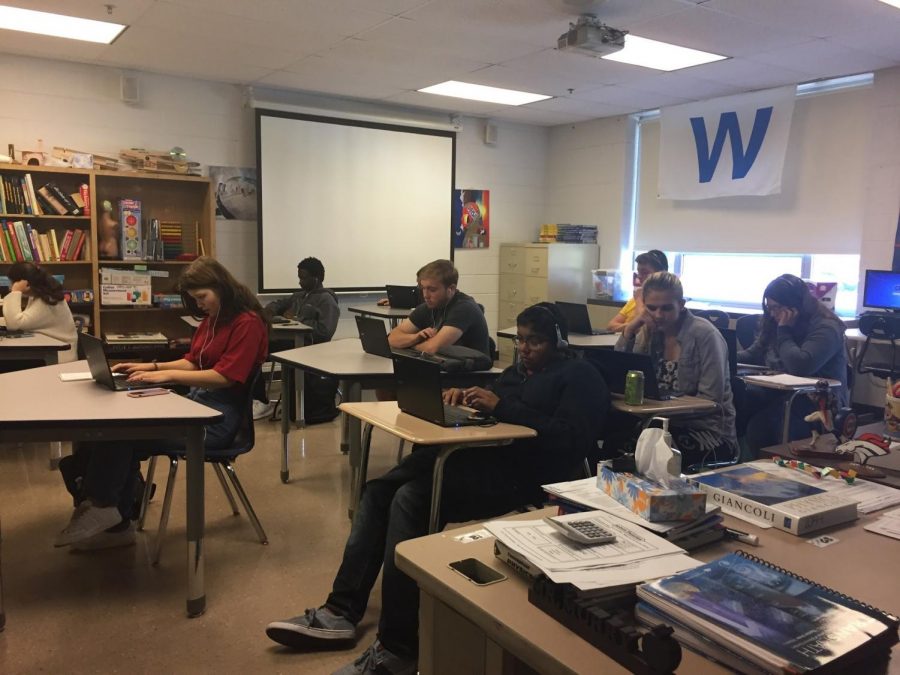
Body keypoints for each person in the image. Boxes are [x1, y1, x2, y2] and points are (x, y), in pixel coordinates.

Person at [265, 302, 609, 675]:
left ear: (557, 342)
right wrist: (467, 399)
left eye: (536, 342)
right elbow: (500, 408)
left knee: (408, 499)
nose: (524, 349)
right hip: (480, 457)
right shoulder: (518, 372)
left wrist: (504, 406)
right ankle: (340, 611)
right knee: (378, 491)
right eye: (521, 340)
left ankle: (398, 648)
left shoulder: (580, 376)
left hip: (523, 476)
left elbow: (570, 441)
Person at [54, 257, 268, 550]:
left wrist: (166, 375)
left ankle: (106, 510)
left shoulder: (248, 323)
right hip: (197, 404)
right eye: (195, 299)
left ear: (221, 286)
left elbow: (226, 377)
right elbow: (194, 362)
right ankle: (115, 518)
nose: (200, 305)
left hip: (217, 421)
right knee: (115, 428)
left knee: (123, 431)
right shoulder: (211, 320)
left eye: (202, 297)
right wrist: (152, 368)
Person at [616, 272, 738, 469]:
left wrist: (661, 411)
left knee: (651, 455)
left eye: (666, 308)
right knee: (614, 442)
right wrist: (629, 331)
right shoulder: (647, 332)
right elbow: (623, 375)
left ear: (681, 305)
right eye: (651, 308)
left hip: (707, 430)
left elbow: (710, 400)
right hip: (656, 423)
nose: (658, 315)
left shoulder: (705, 335)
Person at [738, 274, 848, 454]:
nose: (772, 314)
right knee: (740, 401)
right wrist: (722, 354)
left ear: (795, 305)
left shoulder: (826, 328)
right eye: (770, 308)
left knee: (762, 427)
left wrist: (784, 331)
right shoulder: (773, 322)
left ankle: (770, 466)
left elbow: (800, 366)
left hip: (817, 400)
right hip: (781, 392)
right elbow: (753, 354)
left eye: (777, 308)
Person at [255, 257, 340, 420]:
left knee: (258, 350)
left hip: (309, 347)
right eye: (299, 277)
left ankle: (262, 401)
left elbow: (324, 332)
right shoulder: (298, 296)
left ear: (316, 278)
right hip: (291, 343)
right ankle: (259, 400)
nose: (300, 282)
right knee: (253, 350)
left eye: (304, 278)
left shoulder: (326, 300)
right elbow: (276, 305)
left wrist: (296, 319)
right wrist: (271, 312)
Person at [388, 259, 489, 357]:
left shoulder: (464, 308)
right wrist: (416, 337)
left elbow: (432, 349)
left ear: (451, 289)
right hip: (441, 367)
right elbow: (392, 338)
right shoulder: (429, 306)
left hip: (468, 371)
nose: (425, 295)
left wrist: (408, 345)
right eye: (423, 288)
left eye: (432, 289)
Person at [1, 261, 79, 363]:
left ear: (26, 283)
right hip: (49, 352)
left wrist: (16, 291)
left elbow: (14, 324)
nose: (10, 287)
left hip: (58, 358)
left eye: (13, 283)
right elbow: (25, 320)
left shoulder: (47, 302)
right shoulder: (41, 295)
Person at [607, 250, 668, 332]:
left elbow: (644, 329)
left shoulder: (663, 302)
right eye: (638, 272)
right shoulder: (634, 299)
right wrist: (631, 326)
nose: (639, 276)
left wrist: (639, 300)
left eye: (644, 272)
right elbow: (610, 326)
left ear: (660, 274)